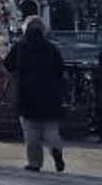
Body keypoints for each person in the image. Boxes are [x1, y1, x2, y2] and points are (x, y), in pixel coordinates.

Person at [5, 14, 68, 173]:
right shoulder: (51, 48)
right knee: (50, 128)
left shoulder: (19, 47)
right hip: (50, 94)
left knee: (31, 131)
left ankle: (34, 163)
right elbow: (60, 69)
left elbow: (8, 65)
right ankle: (55, 148)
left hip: (26, 94)